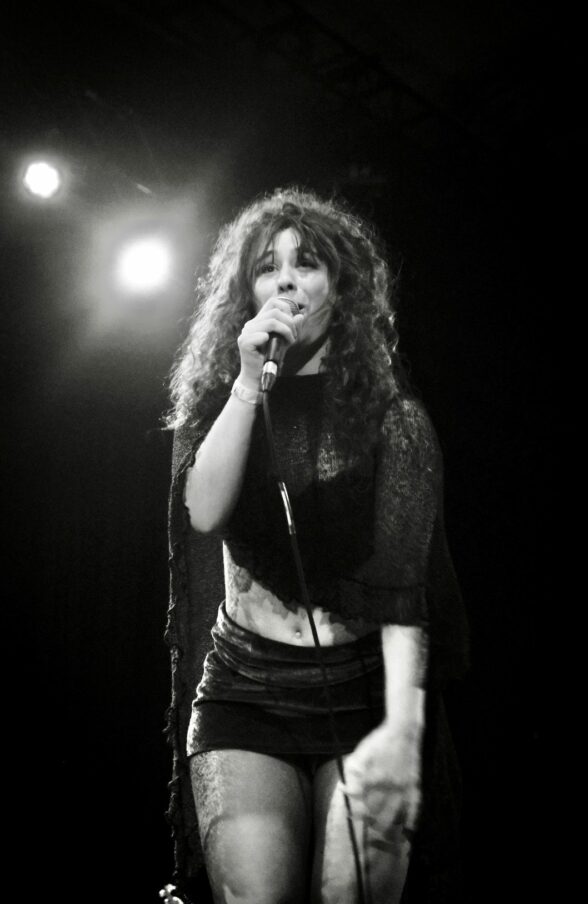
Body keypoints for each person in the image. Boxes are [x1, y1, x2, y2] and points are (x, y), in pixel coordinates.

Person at [160, 187, 469, 904]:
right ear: (247, 291)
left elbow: (406, 594)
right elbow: (203, 513)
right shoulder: (219, 399)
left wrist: (401, 735)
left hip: (360, 693)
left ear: (341, 285)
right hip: (247, 689)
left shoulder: (391, 418)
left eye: (307, 264)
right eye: (267, 268)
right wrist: (247, 384)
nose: (287, 281)